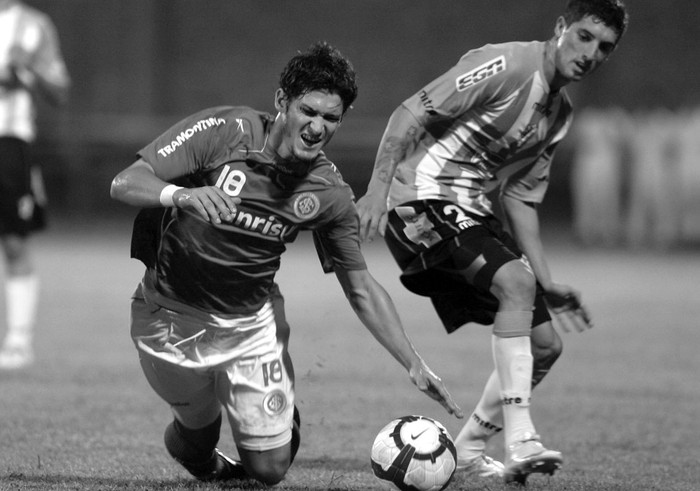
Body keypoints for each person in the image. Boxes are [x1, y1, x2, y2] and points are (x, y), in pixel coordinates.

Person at [110, 42, 463, 486]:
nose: (317, 128)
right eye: (308, 111)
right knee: (197, 442)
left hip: (251, 326)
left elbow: (361, 288)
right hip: (169, 318)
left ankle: (270, 413)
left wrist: (412, 362)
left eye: (330, 118)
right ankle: (212, 448)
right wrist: (182, 195)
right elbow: (126, 182)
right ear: (282, 102)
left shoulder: (329, 194)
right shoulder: (224, 131)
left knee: (270, 470)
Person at [356, 0, 628, 484]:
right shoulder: (509, 64)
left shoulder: (559, 114)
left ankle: (470, 448)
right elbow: (411, 111)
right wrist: (377, 188)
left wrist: (546, 280)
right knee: (516, 286)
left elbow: (521, 199)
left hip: (469, 213)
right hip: (421, 199)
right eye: (585, 36)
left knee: (545, 346)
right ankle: (522, 437)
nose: (591, 53)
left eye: (604, 47)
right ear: (561, 27)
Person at [0, 0, 71, 369]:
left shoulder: (33, 25)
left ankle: (17, 342)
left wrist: (26, 73)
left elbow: (60, 90)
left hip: (9, 142)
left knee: (14, 241)